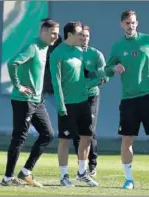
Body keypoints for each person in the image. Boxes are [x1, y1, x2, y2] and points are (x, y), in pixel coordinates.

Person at [104, 10, 149, 190]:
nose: (131, 26)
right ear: (121, 25)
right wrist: (114, 67)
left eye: (133, 22)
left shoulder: (148, 39)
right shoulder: (117, 47)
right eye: (127, 23)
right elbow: (107, 69)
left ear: (137, 23)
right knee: (127, 140)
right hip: (128, 99)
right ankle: (128, 179)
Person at [1, 19, 59, 187]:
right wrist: (18, 86)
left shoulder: (45, 47)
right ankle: (7, 178)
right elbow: (13, 63)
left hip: (37, 100)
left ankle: (26, 172)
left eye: (57, 33)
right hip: (23, 101)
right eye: (53, 33)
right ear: (44, 32)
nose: (56, 36)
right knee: (19, 138)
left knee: (48, 134)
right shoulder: (32, 46)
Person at [50, 22, 98, 187]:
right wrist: (60, 104)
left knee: (86, 137)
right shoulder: (57, 54)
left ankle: (82, 173)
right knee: (64, 139)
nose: (82, 37)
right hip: (67, 104)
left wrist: (99, 78)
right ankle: (64, 176)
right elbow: (56, 83)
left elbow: (84, 78)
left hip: (84, 102)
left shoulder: (80, 52)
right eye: (79, 34)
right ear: (69, 35)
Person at [73, 25, 108, 178]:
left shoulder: (96, 55)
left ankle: (92, 165)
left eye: (86, 36)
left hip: (91, 96)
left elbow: (104, 77)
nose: (84, 38)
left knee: (89, 131)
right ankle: (81, 167)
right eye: (81, 35)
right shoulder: (70, 54)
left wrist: (87, 84)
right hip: (73, 97)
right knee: (76, 132)